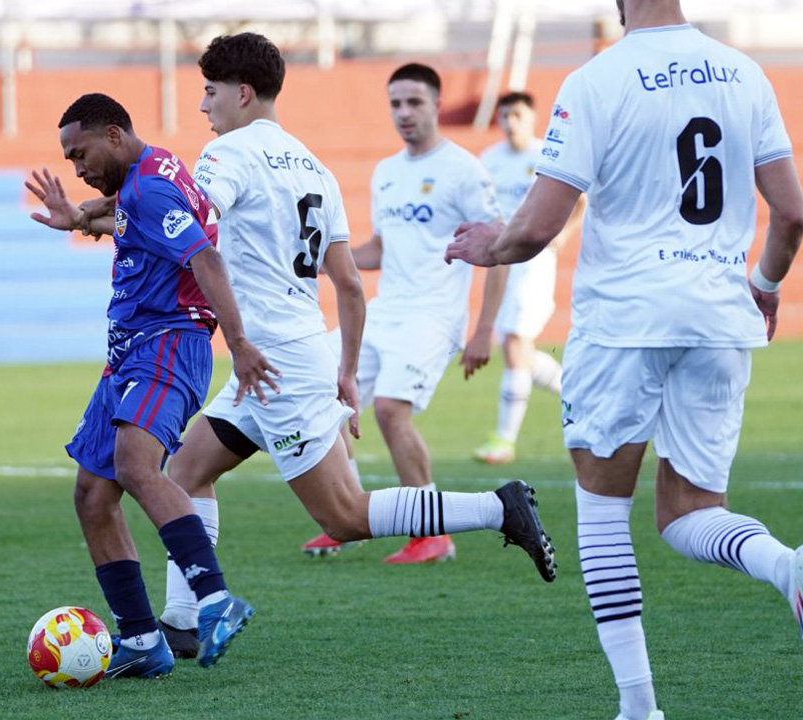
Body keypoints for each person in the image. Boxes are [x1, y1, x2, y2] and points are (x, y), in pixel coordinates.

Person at [444, 1, 803, 717]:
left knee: (602, 512)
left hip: (624, 322)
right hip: (719, 318)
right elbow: (792, 213)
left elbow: (537, 227)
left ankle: (640, 708)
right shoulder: (745, 72)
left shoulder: (597, 80)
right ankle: (788, 569)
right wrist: (765, 288)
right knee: (690, 513)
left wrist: (490, 246)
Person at [150, 34, 556, 659]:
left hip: (275, 362)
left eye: (208, 92)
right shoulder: (313, 165)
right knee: (186, 471)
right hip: (293, 355)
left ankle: (496, 509)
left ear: (242, 92)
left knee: (342, 516)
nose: (203, 106)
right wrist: (343, 368)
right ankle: (181, 620)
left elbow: (191, 227)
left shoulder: (225, 154)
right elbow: (348, 285)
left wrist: (105, 214)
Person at [25, 92, 265, 676]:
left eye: (79, 154)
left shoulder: (152, 186)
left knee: (136, 466)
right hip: (128, 354)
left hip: (167, 345)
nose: (77, 169)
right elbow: (130, 220)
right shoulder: (147, 178)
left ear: (113, 135)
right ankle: (139, 641)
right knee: (92, 495)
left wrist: (238, 345)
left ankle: (214, 599)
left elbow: (205, 260)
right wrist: (81, 219)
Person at [302, 63, 514, 564]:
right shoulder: (387, 172)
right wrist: (319, 261)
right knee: (317, 391)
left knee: (391, 409)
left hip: (433, 315)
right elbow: (381, 247)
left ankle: (433, 532)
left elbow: (499, 248)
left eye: (414, 102)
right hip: (385, 310)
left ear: (436, 105)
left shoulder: (464, 169)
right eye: (395, 103)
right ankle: (347, 517)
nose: (404, 113)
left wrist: (484, 330)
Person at [471, 91, 585, 466]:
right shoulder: (489, 160)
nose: (510, 122)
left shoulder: (544, 155)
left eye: (517, 115)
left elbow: (580, 200)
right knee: (515, 349)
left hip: (534, 261)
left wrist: (562, 236)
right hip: (501, 262)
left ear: (532, 118)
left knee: (518, 341)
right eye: (504, 116)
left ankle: (504, 440)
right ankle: (584, 395)